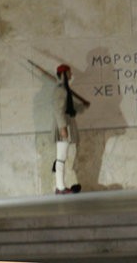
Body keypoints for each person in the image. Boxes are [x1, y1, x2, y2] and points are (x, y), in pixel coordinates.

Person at [53, 64, 86, 195]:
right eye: (69, 73)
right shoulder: (61, 90)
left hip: (65, 125)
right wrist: (62, 128)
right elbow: (58, 110)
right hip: (63, 127)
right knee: (61, 157)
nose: (71, 75)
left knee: (61, 157)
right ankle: (60, 188)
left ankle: (60, 186)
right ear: (64, 74)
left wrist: (81, 106)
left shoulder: (65, 90)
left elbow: (69, 108)